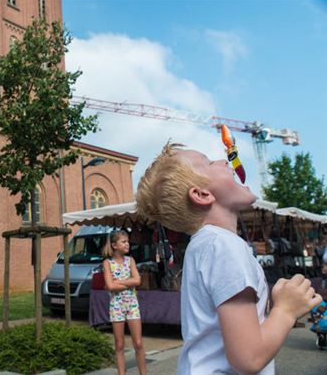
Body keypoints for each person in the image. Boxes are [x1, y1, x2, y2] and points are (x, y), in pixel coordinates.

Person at [135, 142, 322, 374]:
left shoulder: (205, 246)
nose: (224, 161)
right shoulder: (224, 247)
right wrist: (285, 310)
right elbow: (249, 358)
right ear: (202, 194)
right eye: (210, 162)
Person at [102, 229, 146, 375]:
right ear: (114, 245)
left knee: (138, 343)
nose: (127, 244)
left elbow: (138, 280)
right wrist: (129, 282)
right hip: (117, 306)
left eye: (127, 241)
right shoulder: (107, 263)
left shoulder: (130, 260)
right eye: (124, 242)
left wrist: (119, 282)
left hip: (132, 305)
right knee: (119, 344)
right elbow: (110, 286)